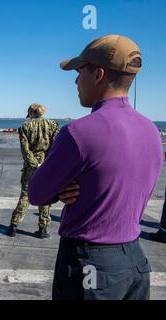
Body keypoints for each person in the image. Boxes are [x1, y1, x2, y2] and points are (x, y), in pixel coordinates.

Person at [28, 35, 163, 300]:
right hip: (135, 261)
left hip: (91, 264)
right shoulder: (151, 130)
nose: (76, 81)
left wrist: (59, 190)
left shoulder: (79, 133)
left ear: (98, 74)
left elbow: (37, 193)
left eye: (79, 72)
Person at [7, 103, 59, 238]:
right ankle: (43, 229)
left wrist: (34, 164)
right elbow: (55, 146)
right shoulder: (53, 125)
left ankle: (13, 226)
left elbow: (25, 150)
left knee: (25, 195)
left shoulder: (25, 127)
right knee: (46, 196)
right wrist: (46, 162)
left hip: (31, 167)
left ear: (31, 113)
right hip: (48, 165)